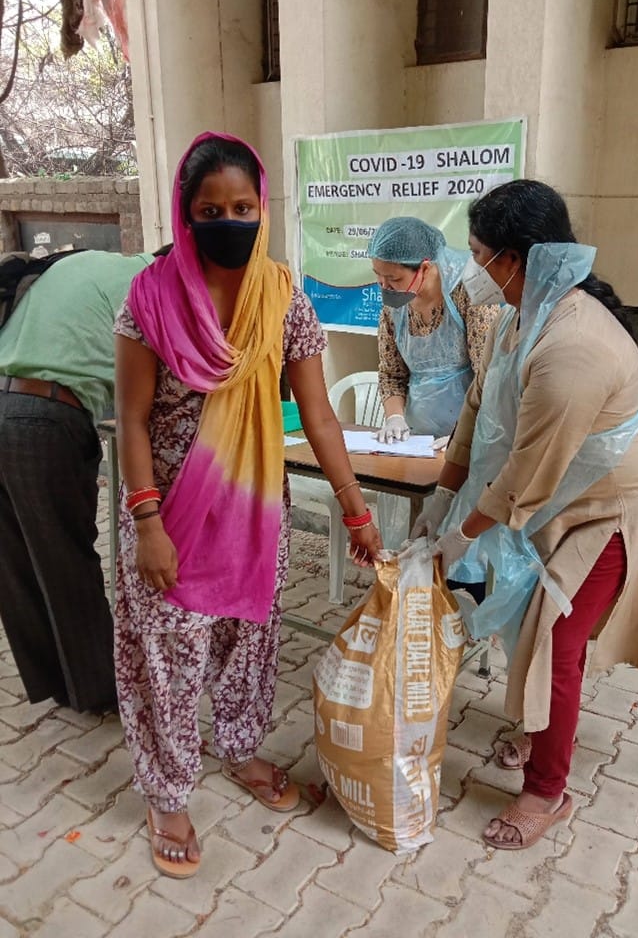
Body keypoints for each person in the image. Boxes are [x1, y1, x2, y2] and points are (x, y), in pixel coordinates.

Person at [114, 131, 383, 879]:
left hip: (254, 513)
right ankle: (167, 792)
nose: (228, 218)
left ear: (261, 206)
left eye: (241, 205)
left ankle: (236, 748)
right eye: (210, 208)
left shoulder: (283, 294)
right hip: (170, 516)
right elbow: (131, 418)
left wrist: (354, 510)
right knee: (167, 659)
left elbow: (319, 413)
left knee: (246, 642)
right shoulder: (152, 296)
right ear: (186, 212)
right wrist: (146, 522)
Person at [412, 179, 638, 850]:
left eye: (479, 254)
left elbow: (526, 476)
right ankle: (539, 732)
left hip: (606, 517)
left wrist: (456, 539)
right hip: (556, 504)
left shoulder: (573, 349)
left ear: (517, 256)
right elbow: (478, 412)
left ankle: (547, 790)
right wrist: (442, 495)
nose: (472, 270)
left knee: (553, 640)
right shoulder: (520, 315)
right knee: (518, 626)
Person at [0, 248, 154, 712]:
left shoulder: (82, 262)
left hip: (5, 400)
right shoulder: (149, 284)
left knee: (16, 562)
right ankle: (101, 693)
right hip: (46, 417)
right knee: (68, 559)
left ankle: (54, 682)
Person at [368, 216, 498, 443]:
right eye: (378, 276)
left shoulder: (469, 293)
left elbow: (490, 379)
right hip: (417, 438)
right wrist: (395, 418)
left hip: (475, 435)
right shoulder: (395, 306)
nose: (384, 286)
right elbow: (391, 373)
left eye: (393, 278)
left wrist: (465, 436)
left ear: (425, 268)